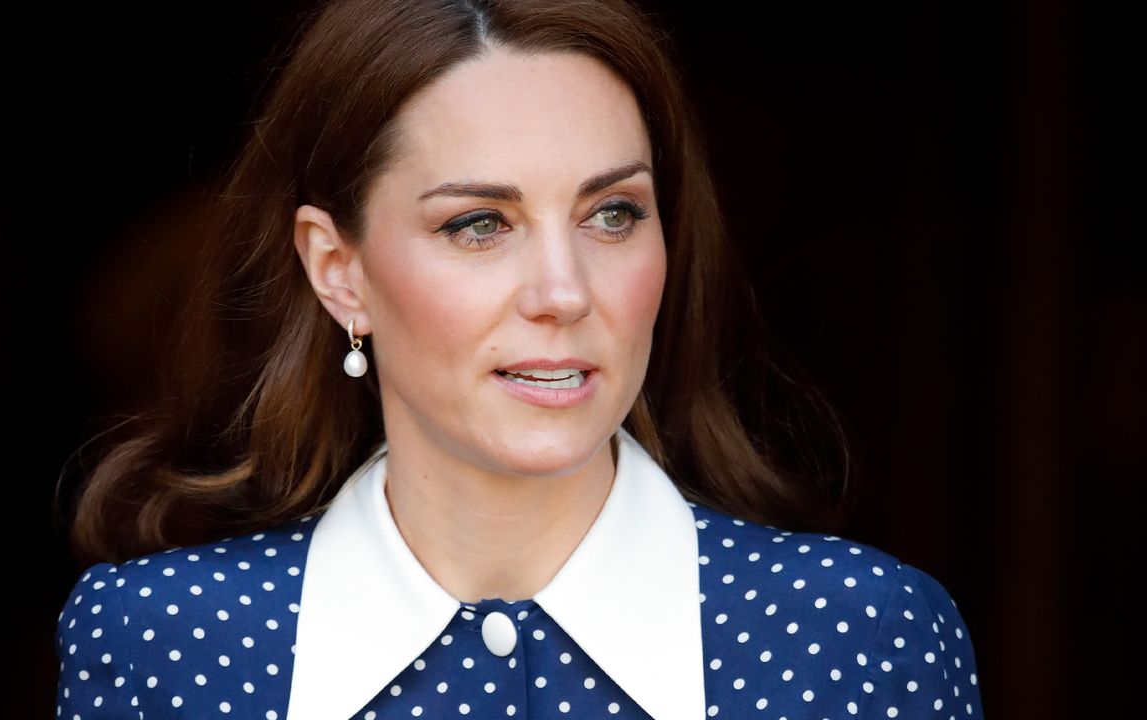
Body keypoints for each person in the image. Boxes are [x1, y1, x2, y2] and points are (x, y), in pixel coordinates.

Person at [53, 0, 984, 718]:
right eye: (479, 224)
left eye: (611, 214)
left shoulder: (858, 639)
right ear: (339, 271)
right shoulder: (163, 647)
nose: (563, 291)